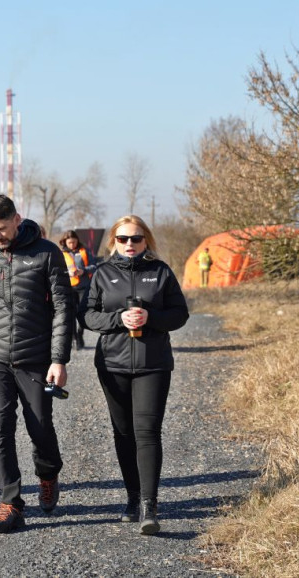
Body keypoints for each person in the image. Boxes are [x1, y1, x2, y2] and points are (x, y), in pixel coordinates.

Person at [0, 194, 72, 533]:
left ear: (17, 219)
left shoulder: (47, 252)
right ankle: (10, 502)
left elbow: (63, 308)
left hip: (35, 356)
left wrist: (58, 359)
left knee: (39, 425)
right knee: (0, 427)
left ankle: (48, 474)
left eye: (2, 228)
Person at [80, 215, 188, 534]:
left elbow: (180, 314)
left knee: (148, 432)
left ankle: (149, 507)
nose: (130, 244)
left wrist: (150, 317)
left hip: (153, 364)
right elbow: (87, 315)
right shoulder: (102, 273)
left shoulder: (160, 271)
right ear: (113, 241)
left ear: (146, 240)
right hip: (112, 365)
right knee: (123, 433)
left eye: (136, 238)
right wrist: (119, 319)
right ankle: (132, 496)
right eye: (123, 238)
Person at [59, 229, 96, 349]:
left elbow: (94, 266)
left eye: (74, 242)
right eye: (69, 243)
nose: (72, 245)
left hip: (83, 288)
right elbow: (57, 270)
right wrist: (67, 272)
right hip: (68, 288)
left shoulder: (85, 251)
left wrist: (83, 271)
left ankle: (80, 334)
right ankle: (74, 338)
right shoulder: (61, 254)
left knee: (83, 313)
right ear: (65, 242)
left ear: (77, 240)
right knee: (71, 314)